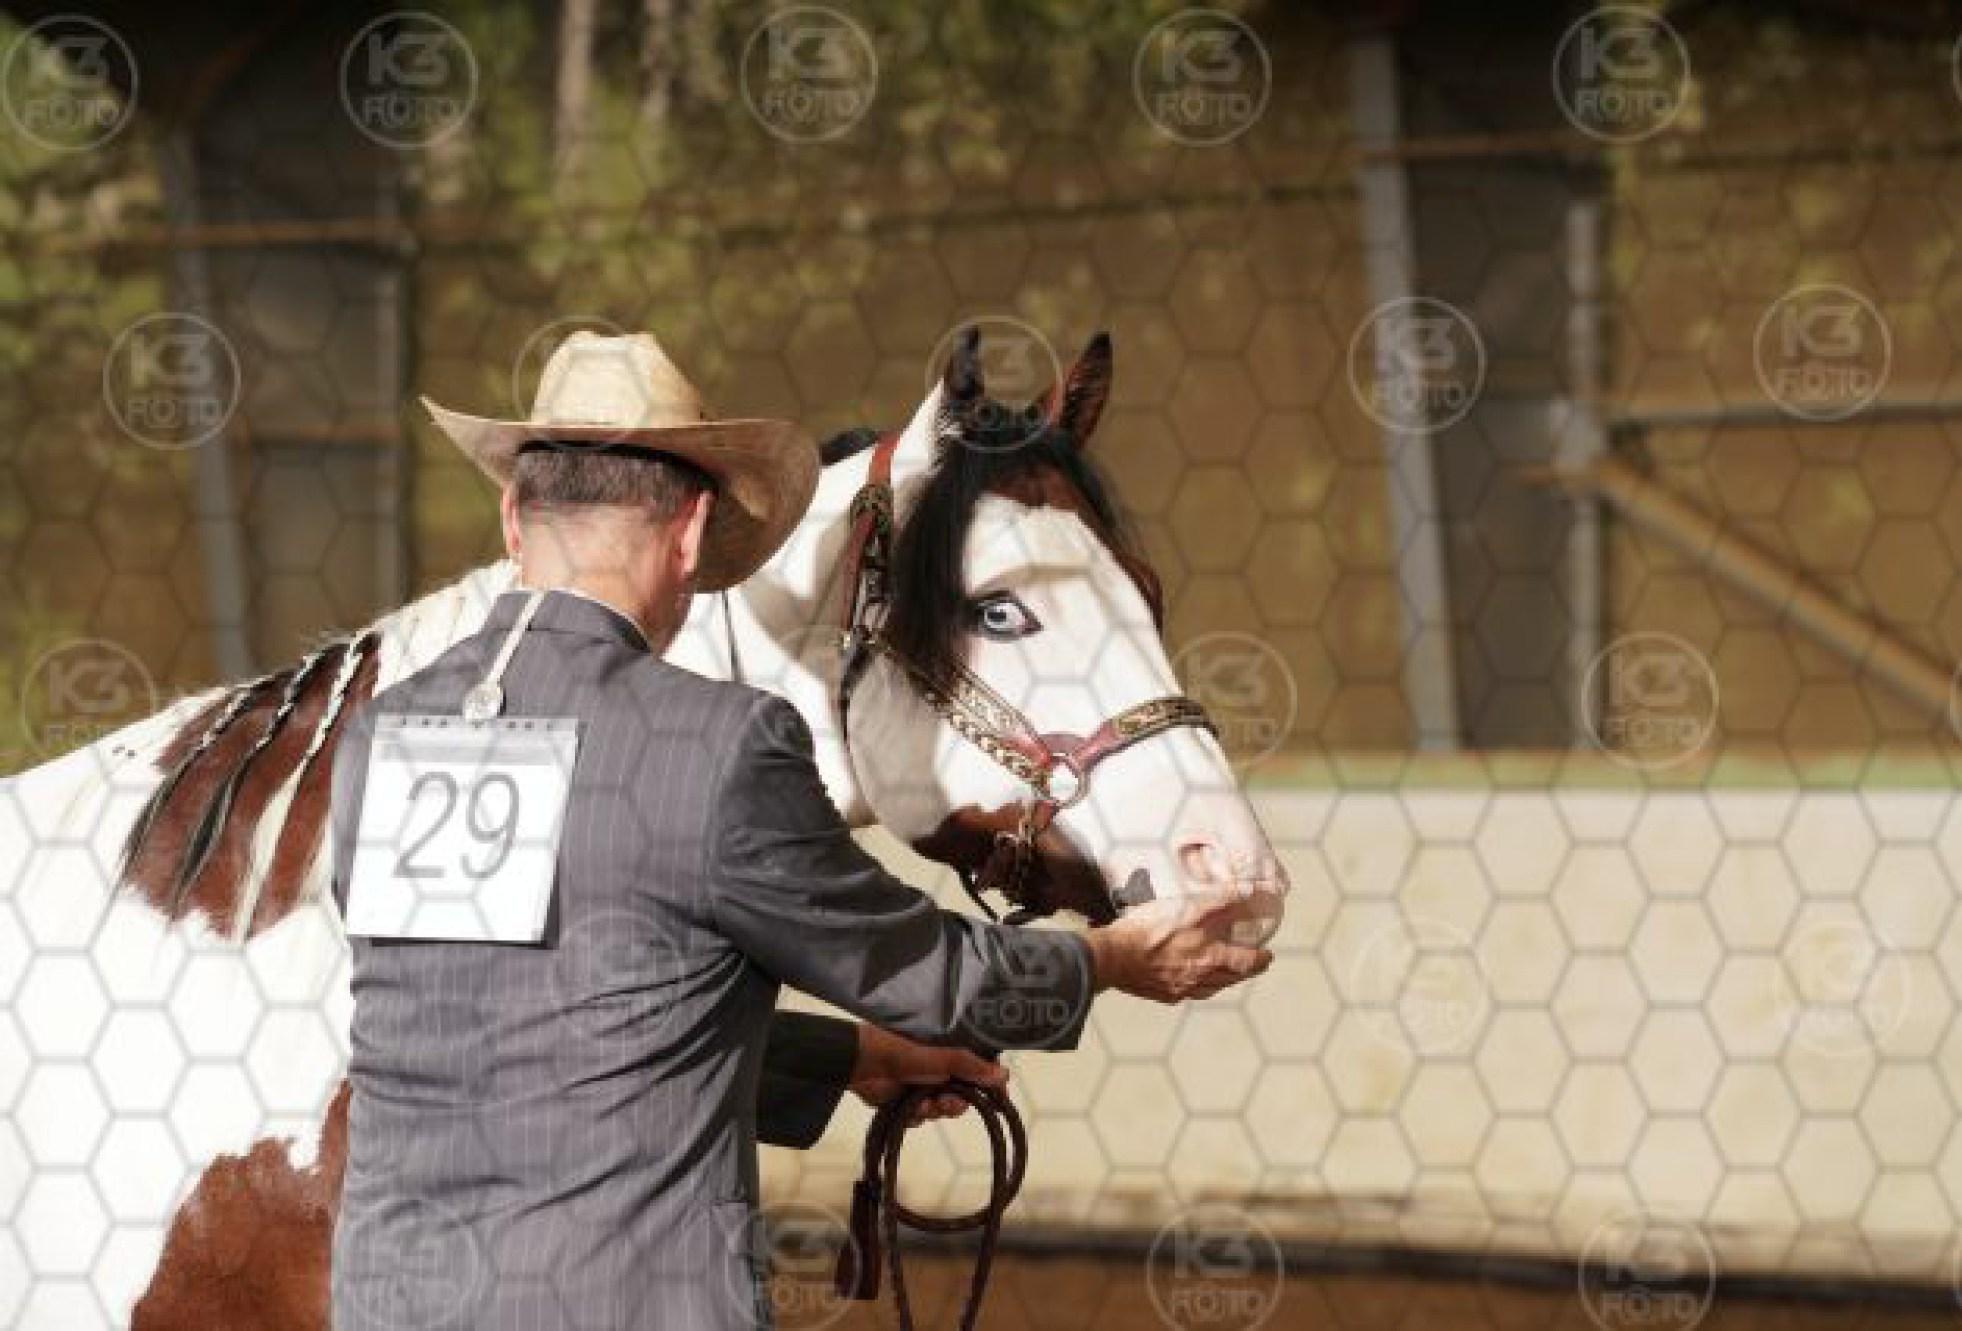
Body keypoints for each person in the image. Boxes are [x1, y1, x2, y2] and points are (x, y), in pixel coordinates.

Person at [329, 332, 1272, 1330]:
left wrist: (848, 1057)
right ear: (692, 533)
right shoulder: (722, 744)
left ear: (514, 519)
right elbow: (922, 968)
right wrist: (1109, 960)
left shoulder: (380, 737)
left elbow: (542, 1035)